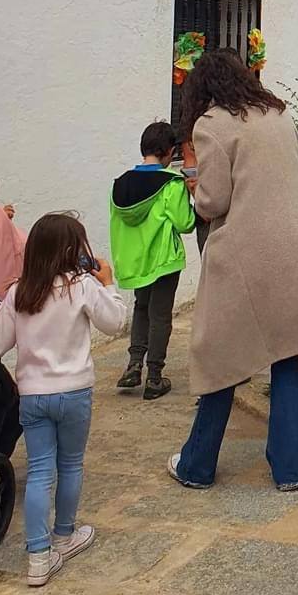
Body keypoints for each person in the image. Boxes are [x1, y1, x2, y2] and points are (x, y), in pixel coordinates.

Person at [168, 49, 298, 492]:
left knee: (222, 360)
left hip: (247, 257)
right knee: (286, 356)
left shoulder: (211, 124)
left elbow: (215, 202)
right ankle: (290, 470)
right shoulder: (277, 113)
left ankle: (197, 465)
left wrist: (194, 187)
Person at [0, 213, 126, 588]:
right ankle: (65, 535)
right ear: (76, 250)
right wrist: (110, 284)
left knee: (40, 470)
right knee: (70, 465)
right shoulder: (83, 286)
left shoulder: (19, 292)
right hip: (74, 392)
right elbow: (116, 322)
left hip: (33, 395)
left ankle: (39, 557)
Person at [110, 121, 197, 400]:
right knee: (160, 316)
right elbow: (184, 223)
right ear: (171, 152)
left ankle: (134, 365)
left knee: (141, 309)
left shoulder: (120, 184)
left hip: (135, 263)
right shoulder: (171, 183)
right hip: (163, 261)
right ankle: (155, 377)